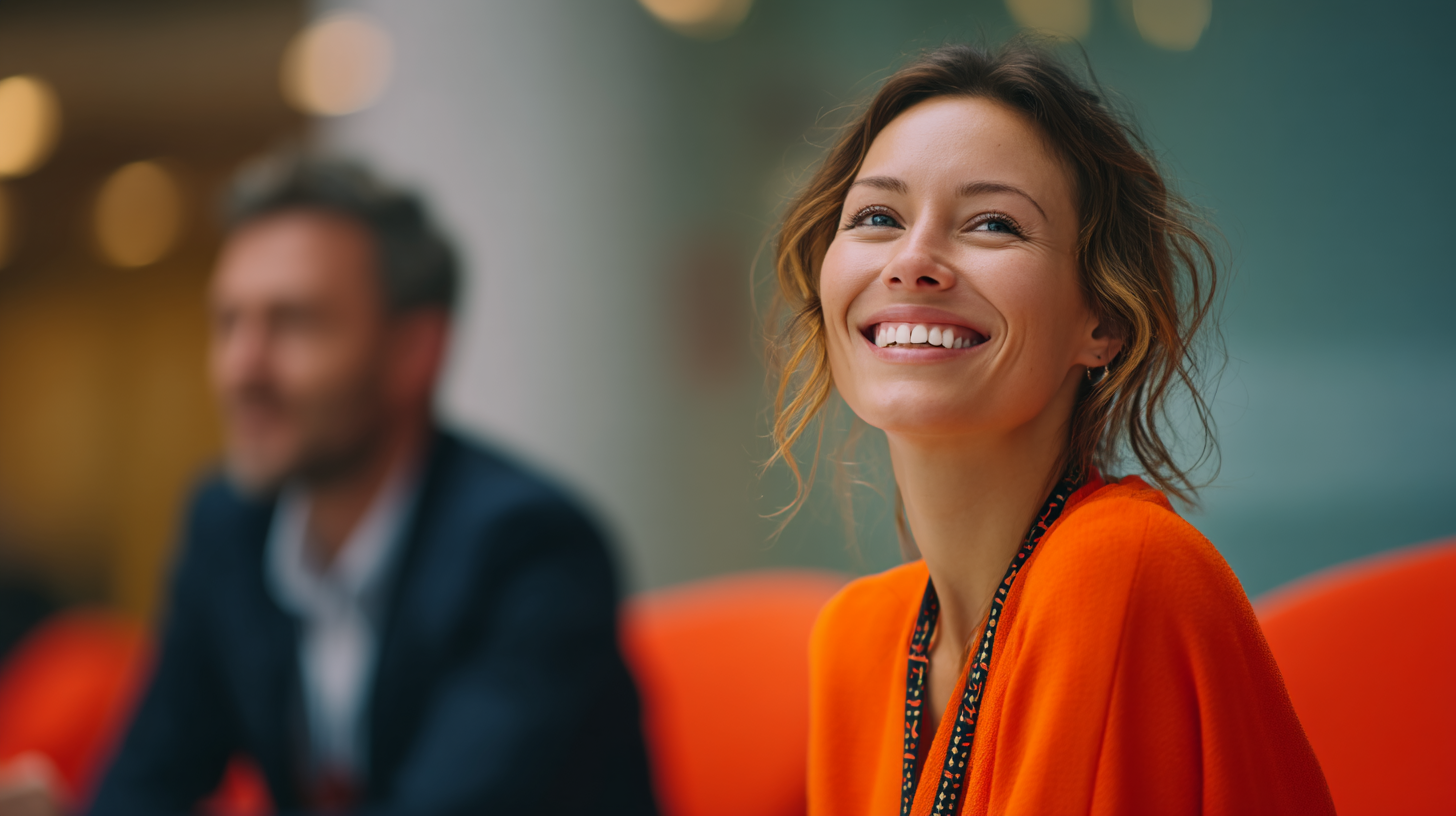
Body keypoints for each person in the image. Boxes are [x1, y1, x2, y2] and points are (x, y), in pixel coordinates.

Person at [766, 42, 1336, 815]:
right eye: (876, 216)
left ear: (1102, 321)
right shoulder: (856, 642)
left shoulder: (1122, 571)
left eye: (993, 224)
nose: (912, 260)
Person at [90, 156, 658, 816]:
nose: (242, 367)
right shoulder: (229, 527)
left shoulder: (530, 548)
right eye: (227, 323)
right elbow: (142, 785)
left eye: (294, 322)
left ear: (415, 351)